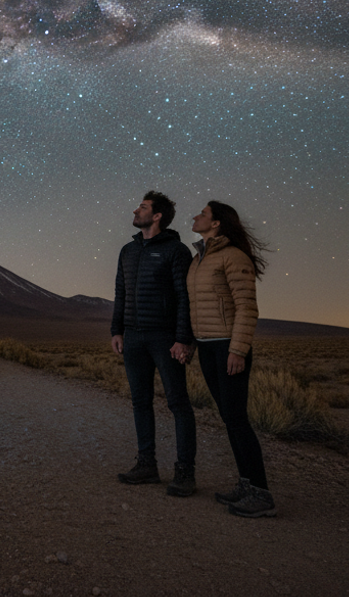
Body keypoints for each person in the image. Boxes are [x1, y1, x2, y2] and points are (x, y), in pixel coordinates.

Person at [188, 200, 275, 517]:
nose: (196, 217)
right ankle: (247, 483)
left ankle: (262, 495)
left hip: (227, 347)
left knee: (237, 419)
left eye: (203, 214)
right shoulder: (199, 260)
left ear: (216, 223)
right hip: (207, 346)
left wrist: (238, 349)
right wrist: (190, 344)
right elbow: (194, 307)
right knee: (228, 417)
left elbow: (247, 307)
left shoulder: (233, 257)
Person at [111, 190, 197, 497]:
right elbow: (120, 293)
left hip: (164, 338)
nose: (136, 211)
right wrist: (116, 330)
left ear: (157, 215)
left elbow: (185, 298)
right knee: (140, 402)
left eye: (143, 207)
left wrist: (182, 338)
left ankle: (185, 473)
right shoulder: (127, 251)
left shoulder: (176, 251)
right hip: (133, 337)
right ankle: (146, 465)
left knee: (178, 403)